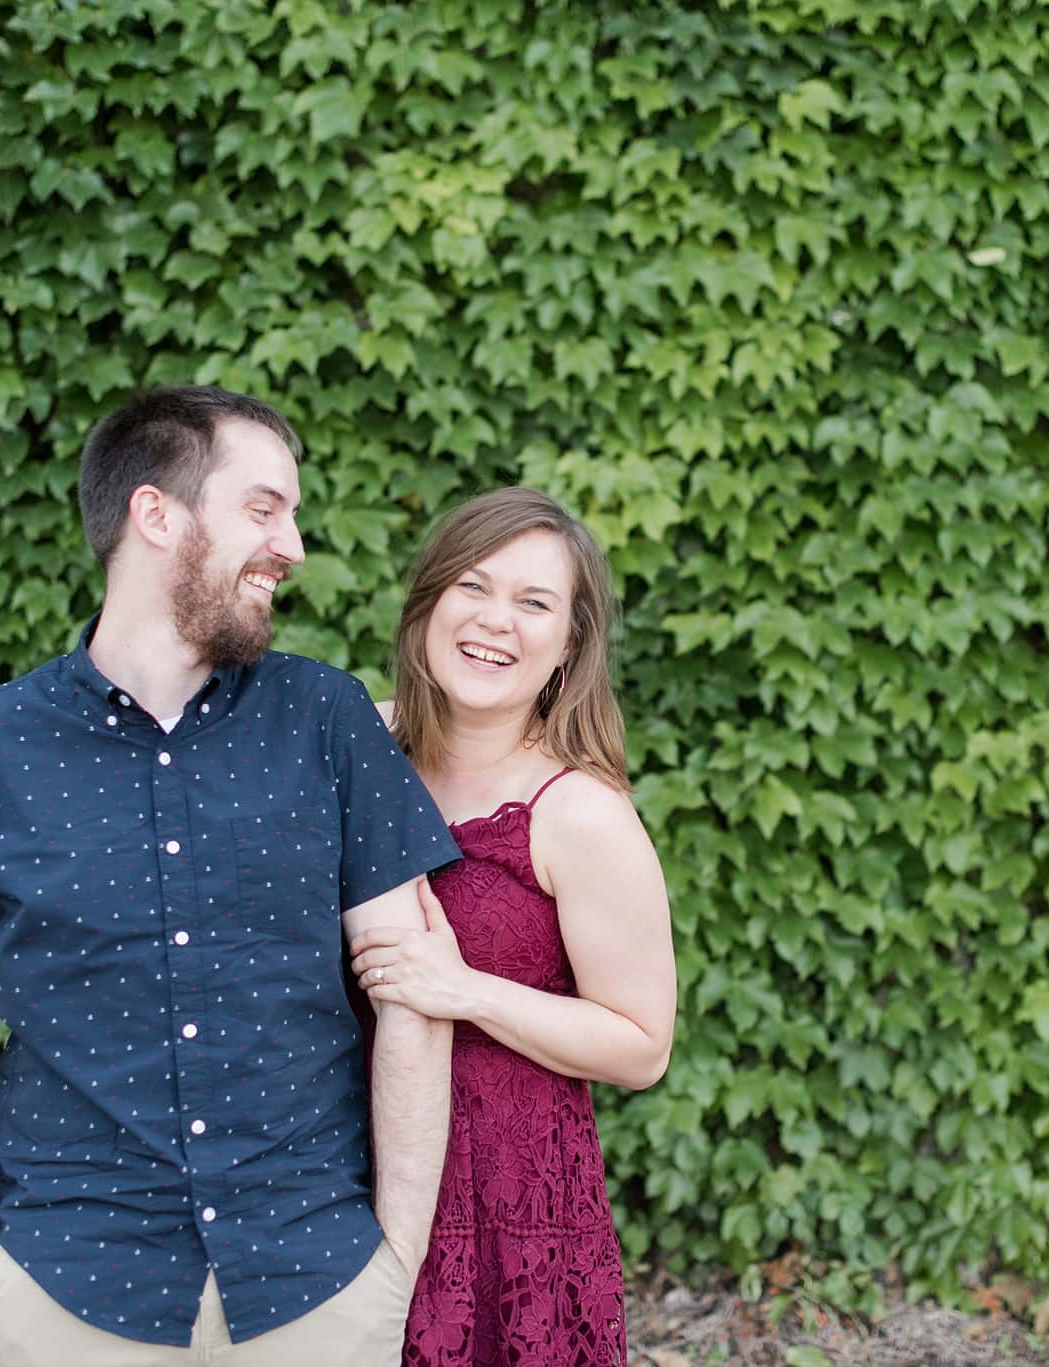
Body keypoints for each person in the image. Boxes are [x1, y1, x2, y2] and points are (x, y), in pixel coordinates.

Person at [0, 386, 458, 1366]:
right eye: (264, 507)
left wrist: (393, 1263)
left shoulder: (326, 717)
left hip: (319, 1282)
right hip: (70, 1294)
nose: (293, 544)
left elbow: (413, 989)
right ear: (154, 513)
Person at [348, 487, 676, 1366]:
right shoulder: (355, 749)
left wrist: (465, 990)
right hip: (340, 1174)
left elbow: (642, 1045)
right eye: (472, 585)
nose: (495, 621)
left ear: (569, 643)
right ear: (428, 601)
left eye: (534, 603)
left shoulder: (578, 813)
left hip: (508, 1209)